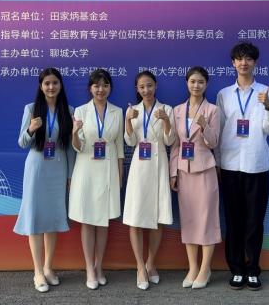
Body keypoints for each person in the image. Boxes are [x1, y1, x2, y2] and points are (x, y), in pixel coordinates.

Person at [216, 42, 269, 291]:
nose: (244, 63)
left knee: (255, 220)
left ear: (255, 62)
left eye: (249, 59)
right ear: (233, 63)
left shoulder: (268, 92)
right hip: (230, 164)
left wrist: (268, 107)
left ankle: (253, 269)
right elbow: (219, 131)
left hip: (257, 164)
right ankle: (236, 269)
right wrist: (218, 163)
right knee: (233, 220)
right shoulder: (224, 94)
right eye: (239, 59)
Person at [14, 67, 75, 293]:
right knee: (36, 217)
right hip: (37, 167)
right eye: (47, 83)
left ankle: (49, 267)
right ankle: (38, 271)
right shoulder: (31, 109)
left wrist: (70, 175)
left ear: (60, 85)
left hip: (58, 168)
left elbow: (70, 148)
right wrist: (31, 129)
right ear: (41, 86)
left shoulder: (69, 110)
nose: (51, 87)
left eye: (55, 83)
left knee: (53, 216)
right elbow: (22, 143)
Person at [68, 68, 124, 290]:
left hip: (109, 170)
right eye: (97, 85)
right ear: (90, 88)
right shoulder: (81, 111)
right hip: (87, 171)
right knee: (88, 220)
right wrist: (74, 132)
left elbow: (119, 146)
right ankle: (89, 269)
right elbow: (78, 147)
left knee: (103, 221)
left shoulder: (117, 111)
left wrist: (120, 175)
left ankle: (99, 266)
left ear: (110, 87)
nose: (101, 89)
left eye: (105, 85)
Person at [169, 66, 221, 290]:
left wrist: (204, 125)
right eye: (192, 81)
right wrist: (173, 172)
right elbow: (175, 145)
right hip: (184, 172)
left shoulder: (213, 110)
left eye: (200, 82)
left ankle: (205, 269)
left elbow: (214, 142)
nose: (196, 85)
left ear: (206, 84)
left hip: (206, 171)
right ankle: (192, 267)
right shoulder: (177, 110)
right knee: (189, 220)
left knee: (207, 219)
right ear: (187, 83)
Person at [123, 71, 175, 290]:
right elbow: (130, 141)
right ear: (137, 89)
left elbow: (170, 140)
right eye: (142, 87)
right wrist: (128, 120)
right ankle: (140, 266)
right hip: (139, 165)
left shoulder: (167, 109)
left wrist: (165, 121)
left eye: (150, 85)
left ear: (156, 86)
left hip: (159, 162)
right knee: (135, 216)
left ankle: (151, 263)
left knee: (157, 215)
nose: (146, 90)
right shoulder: (132, 110)